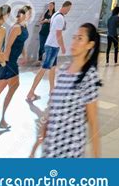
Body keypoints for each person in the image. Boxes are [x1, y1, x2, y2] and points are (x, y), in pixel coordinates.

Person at [30, 23, 101, 158]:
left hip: (70, 149)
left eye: (80, 38)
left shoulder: (89, 76)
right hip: (50, 146)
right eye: (74, 37)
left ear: (90, 45)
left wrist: (97, 158)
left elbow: (93, 121)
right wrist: (38, 141)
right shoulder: (63, 70)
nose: (74, 42)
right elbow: (52, 108)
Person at [26, 0, 72, 101]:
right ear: (66, 7)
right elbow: (58, 34)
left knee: (52, 69)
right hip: (52, 46)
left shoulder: (55, 14)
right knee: (44, 69)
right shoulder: (59, 17)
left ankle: (52, 90)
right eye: (69, 9)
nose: (69, 11)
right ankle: (30, 92)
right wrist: (63, 47)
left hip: (51, 45)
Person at [0, 5, 32, 128]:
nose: (30, 15)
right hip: (9, 62)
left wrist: (25, 55)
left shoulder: (24, 26)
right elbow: (8, 46)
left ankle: (1, 119)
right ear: (23, 14)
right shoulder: (16, 27)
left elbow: (20, 43)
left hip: (12, 62)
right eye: (29, 13)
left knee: (11, 87)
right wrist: (4, 63)